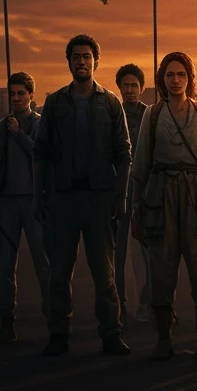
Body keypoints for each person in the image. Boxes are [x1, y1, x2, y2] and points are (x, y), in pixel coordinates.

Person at [34, 35, 132, 357]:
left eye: (87, 56)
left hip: (99, 199)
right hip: (62, 197)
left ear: (95, 62)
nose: (81, 61)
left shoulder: (111, 103)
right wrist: (38, 197)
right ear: (69, 62)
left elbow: (124, 153)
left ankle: (111, 333)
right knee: (59, 271)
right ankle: (58, 333)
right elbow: (41, 153)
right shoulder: (55, 103)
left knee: (104, 272)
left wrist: (120, 197)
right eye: (76, 56)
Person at [130, 52, 197, 361]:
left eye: (181, 74)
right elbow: (141, 164)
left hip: (196, 193)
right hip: (161, 193)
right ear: (162, 78)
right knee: (161, 265)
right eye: (169, 74)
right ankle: (163, 338)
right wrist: (138, 208)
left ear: (189, 78)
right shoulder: (153, 114)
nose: (175, 80)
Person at [0, 72, 48, 346]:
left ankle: (55, 319)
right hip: (6, 202)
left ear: (31, 95)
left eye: (21, 93)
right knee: (5, 266)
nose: (16, 98)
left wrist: (18, 134)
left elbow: (40, 154)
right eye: (12, 94)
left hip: (33, 201)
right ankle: (7, 323)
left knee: (43, 263)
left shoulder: (39, 124)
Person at [114, 64, 152, 326]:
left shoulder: (151, 116)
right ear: (119, 88)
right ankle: (119, 304)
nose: (129, 90)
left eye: (134, 85)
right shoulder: (111, 114)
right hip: (117, 192)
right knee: (117, 255)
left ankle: (148, 303)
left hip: (144, 194)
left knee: (150, 255)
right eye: (125, 86)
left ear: (141, 88)